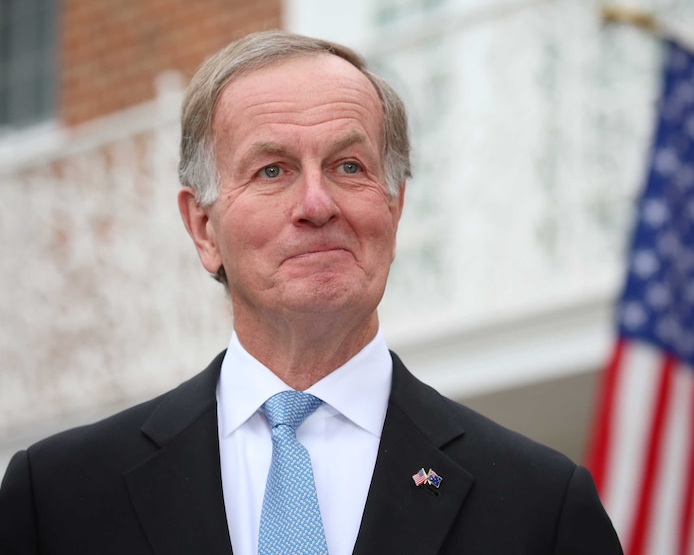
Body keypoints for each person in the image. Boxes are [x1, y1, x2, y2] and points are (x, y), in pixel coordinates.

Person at [0, 31, 622, 554]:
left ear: (395, 206)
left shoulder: (540, 506)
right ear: (203, 227)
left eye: (350, 167)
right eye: (272, 170)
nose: (317, 204)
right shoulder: (57, 497)